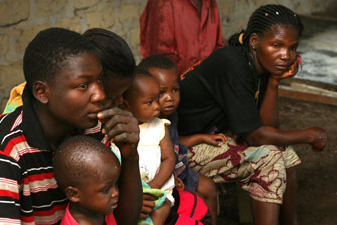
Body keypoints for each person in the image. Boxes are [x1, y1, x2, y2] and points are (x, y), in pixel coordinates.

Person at [177, 4, 328, 225]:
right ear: (255, 41)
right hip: (179, 148)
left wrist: (274, 82)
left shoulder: (260, 63)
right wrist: (310, 135)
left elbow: (267, 127)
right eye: (277, 45)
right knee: (268, 158)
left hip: (211, 137)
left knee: (284, 151)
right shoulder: (232, 63)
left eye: (292, 48)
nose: (285, 55)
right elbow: (256, 136)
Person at [0, 27, 142, 225]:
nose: (100, 95)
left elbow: (124, 220)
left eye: (99, 80)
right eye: (83, 85)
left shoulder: (94, 129)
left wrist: (130, 155)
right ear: (42, 92)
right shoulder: (2, 151)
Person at [137, 55, 227, 225]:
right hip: (159, 177)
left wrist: (201, 137)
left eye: (175, 90)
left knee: (209, 187)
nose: (170, 98)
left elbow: (174, 143)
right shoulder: (145, 124)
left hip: (178, 169)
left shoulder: (171, 116)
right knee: (195, 199)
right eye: (161, 92)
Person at [122, 71, 176, 225]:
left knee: (161, 210)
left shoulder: (160, 126)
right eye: (149, 102)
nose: (157, 106)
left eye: (157, 99)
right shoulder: (121, 129)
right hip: (130, 192)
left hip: (158, 189)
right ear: (127, 105)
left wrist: (154, 186)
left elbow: (169, 158)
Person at [140, 0, 224, 75]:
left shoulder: (211, 3)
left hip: (206, 85)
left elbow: (219, 46)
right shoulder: (163, 3)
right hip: (175, 86)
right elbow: (159, 59)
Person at [54, 135, 120, 225]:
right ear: (74, 194)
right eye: (106, 190)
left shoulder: (99, 209)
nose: (116, 193)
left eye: (116, 183)